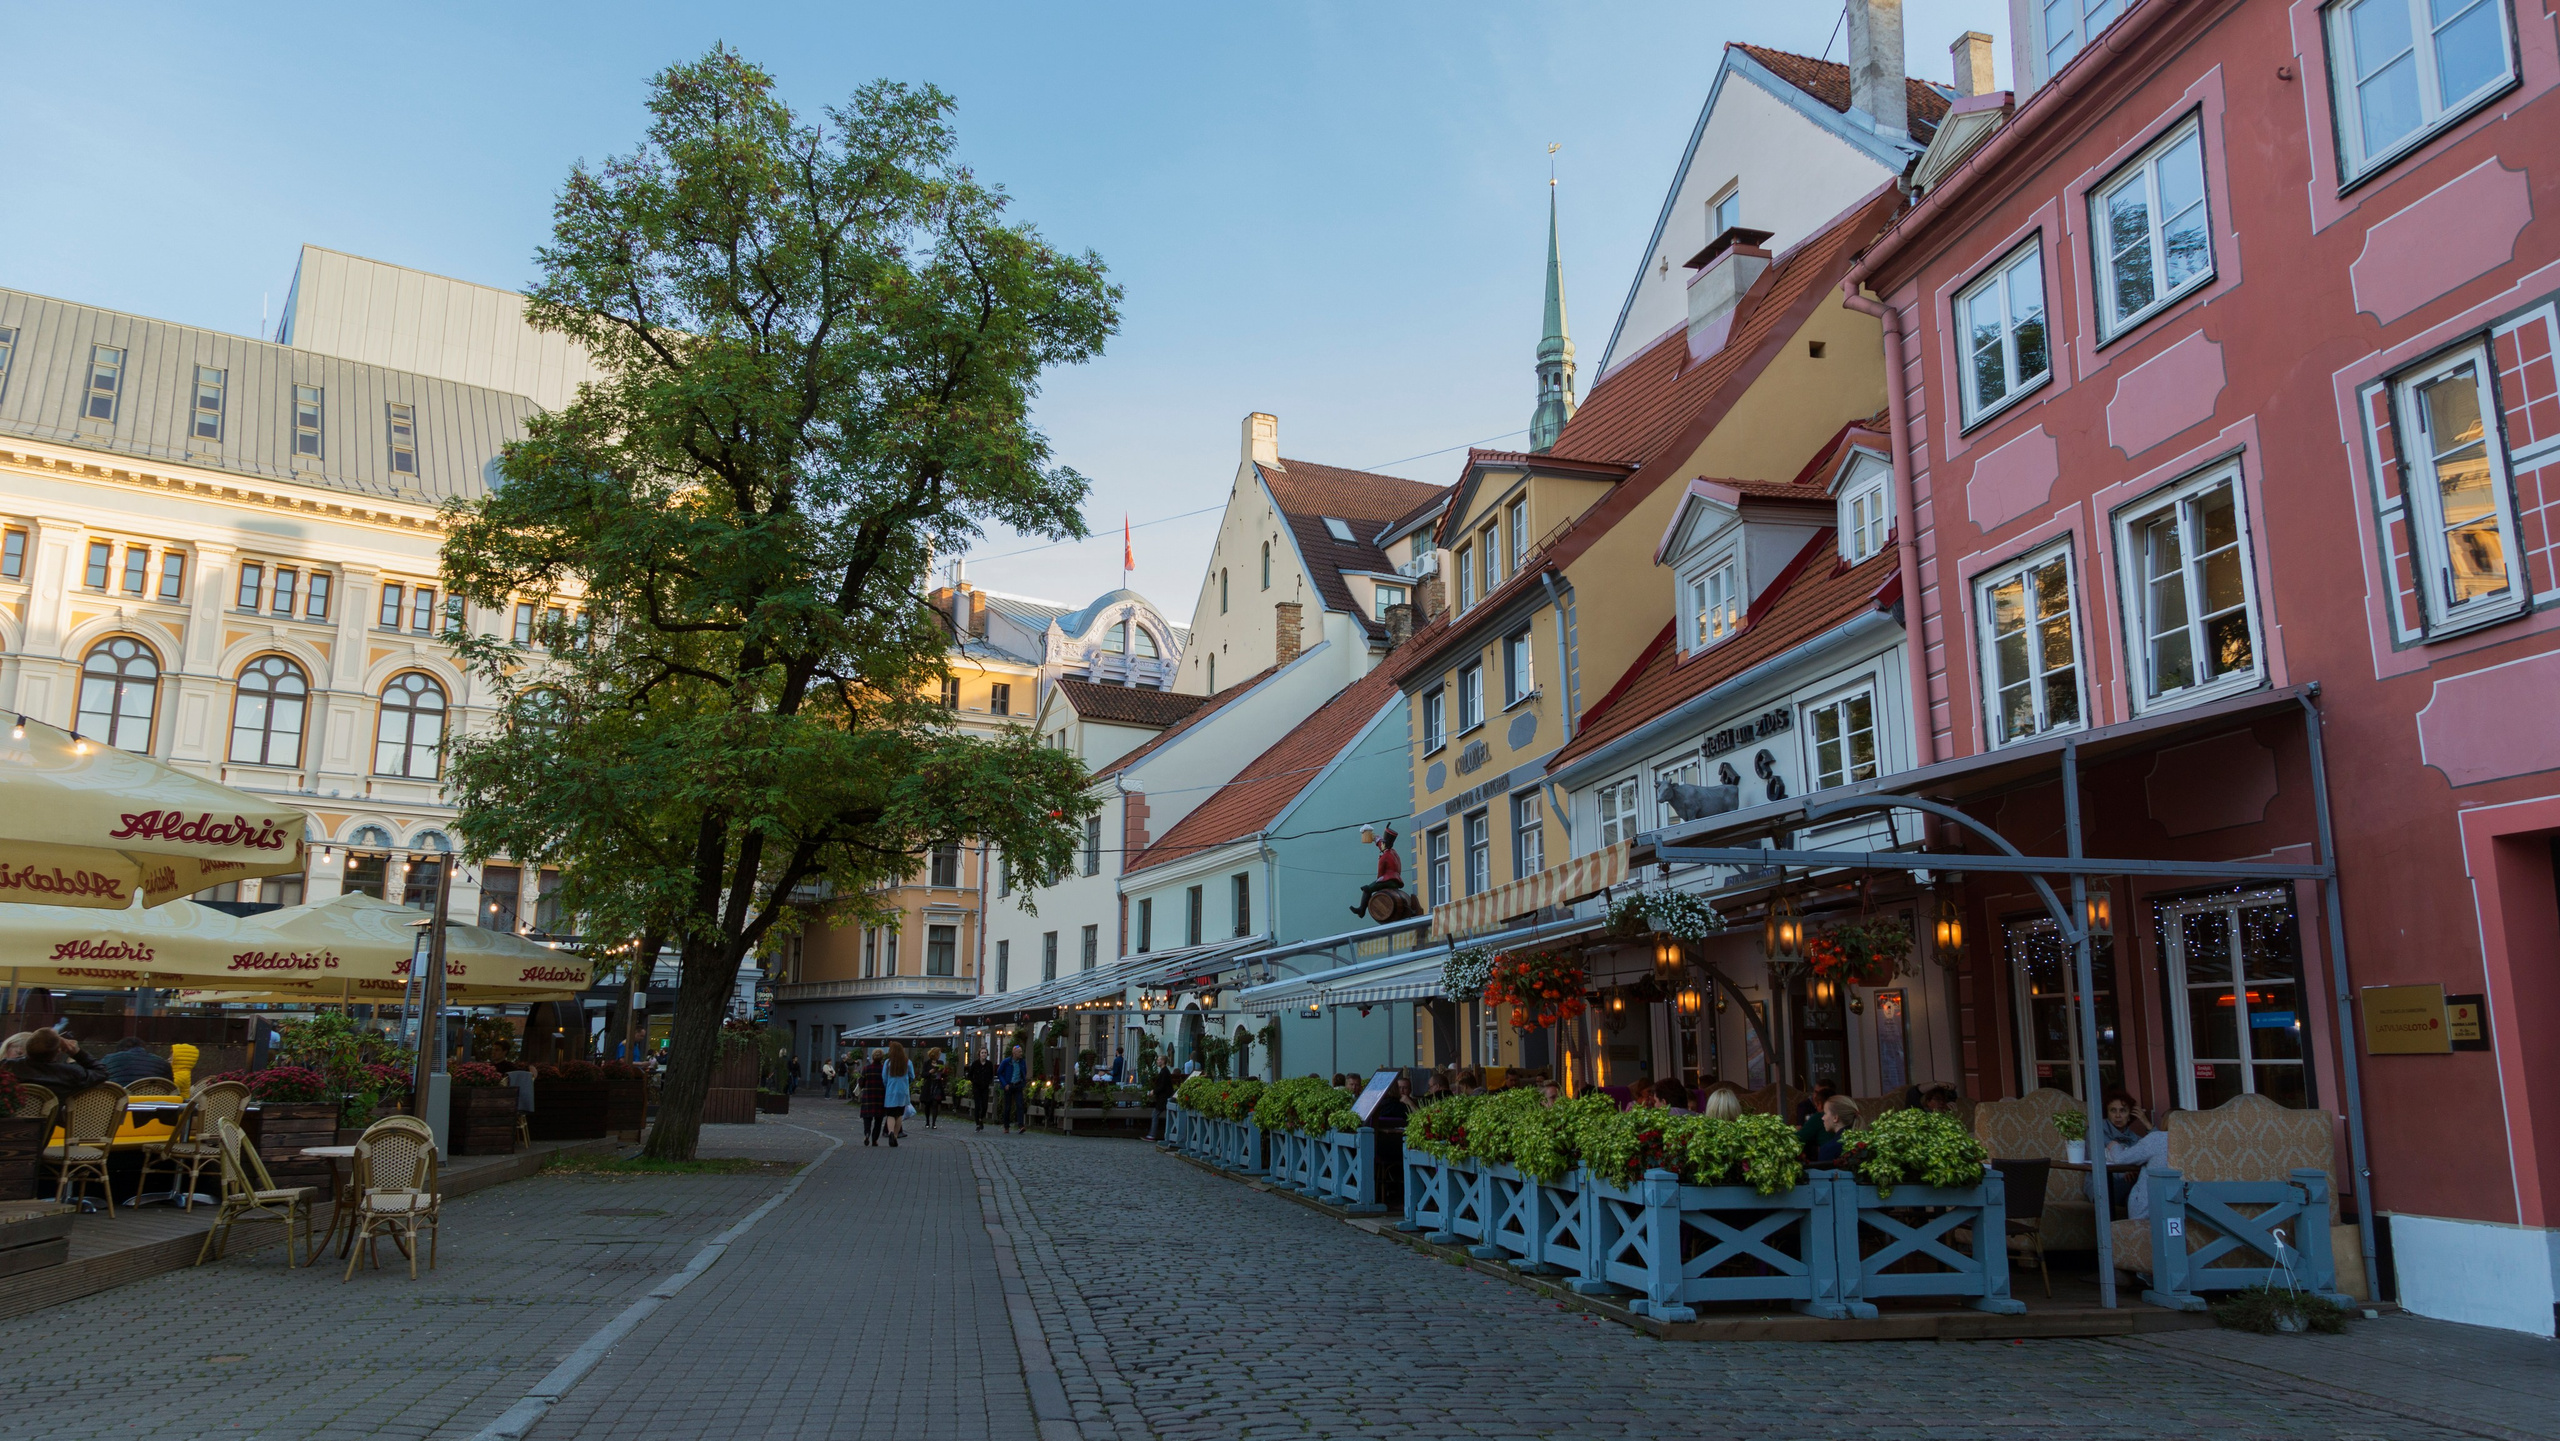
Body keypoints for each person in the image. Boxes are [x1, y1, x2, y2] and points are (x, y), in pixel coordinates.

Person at [2100, 1090, 2170, 1218]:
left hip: (2129, 1185)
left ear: (2130, 1115)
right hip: (2103, 1183)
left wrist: (2147, 1123)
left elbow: (2159, 1145)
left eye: (2123, 1111)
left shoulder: (2134, 1138)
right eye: (2113, 1110)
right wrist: (2124, 1172)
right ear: (2107, 1113)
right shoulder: (2097, 1132)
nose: (2118, 1115)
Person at [8, 1029, 104, 1097]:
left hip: (10, 1120)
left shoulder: (7, 1067)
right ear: (58, 1050)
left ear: (27, 1045)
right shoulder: (70, 1073)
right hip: (50, 1120)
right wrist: (77, 1053)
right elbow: (101, 1072)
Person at [1350, 823, 1404, 917]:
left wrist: (1376, 884)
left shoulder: (1385, 856)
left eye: (1382, 843)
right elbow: (1380, 843)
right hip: (1397, 881)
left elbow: (1380, 874)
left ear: (1384, 845)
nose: (1381, 845)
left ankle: (1361, 910)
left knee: (1367, 889)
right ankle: (1362, 909)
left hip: (1388, 880)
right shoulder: (1393, 852)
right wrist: (1374, 836)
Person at [97, 1037, 172, 1086]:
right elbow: (169, 1086)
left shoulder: (108, 1059)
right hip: (151, 1101)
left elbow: (98, 1080)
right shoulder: (162, 1062)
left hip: (118, 1099)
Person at [880, 1042, 913, 1146]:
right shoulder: (907, 1062)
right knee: (899, 1114)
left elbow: (884, 1078)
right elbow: (912, 1076)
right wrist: (906, 1083)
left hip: (891, 1091)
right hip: (903, 1092)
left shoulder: (888, 1062)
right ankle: (895, 1136)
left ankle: (890, 1132)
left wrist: (888, 1086)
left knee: (890, 1114)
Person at [1812, 1095, 1861, 1163]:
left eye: (1825, 1113)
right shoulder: (1863, 1143)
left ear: (1835, 1118)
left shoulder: (1828, 1149)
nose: (1822, 1118)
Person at [857, 1049, 887, 1147]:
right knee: (878, 1120)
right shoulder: (884, 1069)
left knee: (867, 1117)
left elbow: (861, 1083)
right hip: (880, 1097)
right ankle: (874, 1139)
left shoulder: (866, 1068)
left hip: (868, 1097)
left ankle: (867, 1133)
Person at [996, 1045, 1028, 1134]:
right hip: (1009, 1086)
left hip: (1018, 1085)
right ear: (1014, 1053)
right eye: (1019, 1052)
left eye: (1021, 1052)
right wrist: (1004, 1084)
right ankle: (1006, 1126)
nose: (1021, 1053)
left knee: (1020, 1105)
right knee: (1007, 1107)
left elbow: (1024, 1071)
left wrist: (1022, 1081)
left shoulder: (1022, 1062)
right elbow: (999, 1072)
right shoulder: (1006, 1062)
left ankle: (1021, 1125)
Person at [1147, 1058, 1178, 1140]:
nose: (1157, 1061)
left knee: (1155, 1114)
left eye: (1159, 1060)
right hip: (1164, 1097)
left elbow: (1162, 1085)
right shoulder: (1164, 1071)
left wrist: (1154, 1091)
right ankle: (1171, 1133)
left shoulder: (1164, 1072)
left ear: (1163, 1061)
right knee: (1167, 1115)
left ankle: (1152, 1135)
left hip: (1163, 1098)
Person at [969, 1051, 998, 1130]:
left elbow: (991, 1074)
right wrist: (974, 1081)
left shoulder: (989, 1064)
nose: (984, 1054)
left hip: (985, 1087)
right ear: (979, 1054)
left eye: (985, 1053)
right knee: (977, 1105)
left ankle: (981, 1118)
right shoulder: (975, 1064)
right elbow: (970, 1075)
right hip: (976, 1087)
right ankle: (977, 1124)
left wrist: (989, 1081)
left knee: (985, 1106)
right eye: (982, 1053)